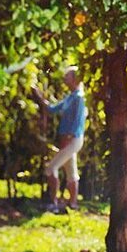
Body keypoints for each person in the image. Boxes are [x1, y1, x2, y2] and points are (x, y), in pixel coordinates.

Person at [33, 65, 87, 214]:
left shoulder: (79, 98)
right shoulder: (70, 97)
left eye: (67, 76)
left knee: (51, 168)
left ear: (75, 79)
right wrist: (39, 97)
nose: (64, 78)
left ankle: (53, 202)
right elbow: (51, 110)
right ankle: (73, 204)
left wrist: (68, 138)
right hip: (69, 139)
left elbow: (77, 121)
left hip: (73, 139)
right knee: (71, 171)